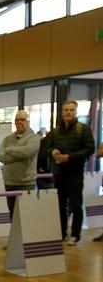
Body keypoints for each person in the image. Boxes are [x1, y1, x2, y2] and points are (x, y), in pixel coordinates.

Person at [46, 100, 95, 245]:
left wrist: (69, 157)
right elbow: (48, 147)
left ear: (76, 112)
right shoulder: (55, 131)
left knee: (75, 204)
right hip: (59, 172)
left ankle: (75, 234)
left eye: (71, 110)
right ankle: (61, 233)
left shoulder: (83, 129)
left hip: (75, 173)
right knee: (60, 205)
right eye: (66, 110)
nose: (68, 113)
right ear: (62, 113)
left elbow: (89, 149)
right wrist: (53, 151)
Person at [0, 110, 40, 219]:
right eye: (17, 120)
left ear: (28, 121)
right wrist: (16, 155)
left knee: (25, 215)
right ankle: (14, 236)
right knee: (12, 214)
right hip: (9, 182)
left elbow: (27, 152)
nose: (19, 122)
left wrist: (9, 150)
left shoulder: (34, 138)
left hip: (26, 183)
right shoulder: (8, 138)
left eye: (22, 119)